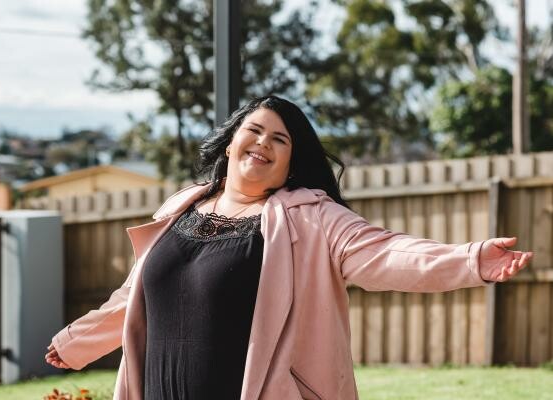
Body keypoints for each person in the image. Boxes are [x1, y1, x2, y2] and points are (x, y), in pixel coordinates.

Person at [45, 95, 532, 400]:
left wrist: (470, 260)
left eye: (280, 139)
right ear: (231, 142)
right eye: (254, 131)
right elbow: (133, 298)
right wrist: (76, 342)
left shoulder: (310, 217)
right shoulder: (179, 208)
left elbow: (386, 253)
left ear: (290, 163)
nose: (263, 143)